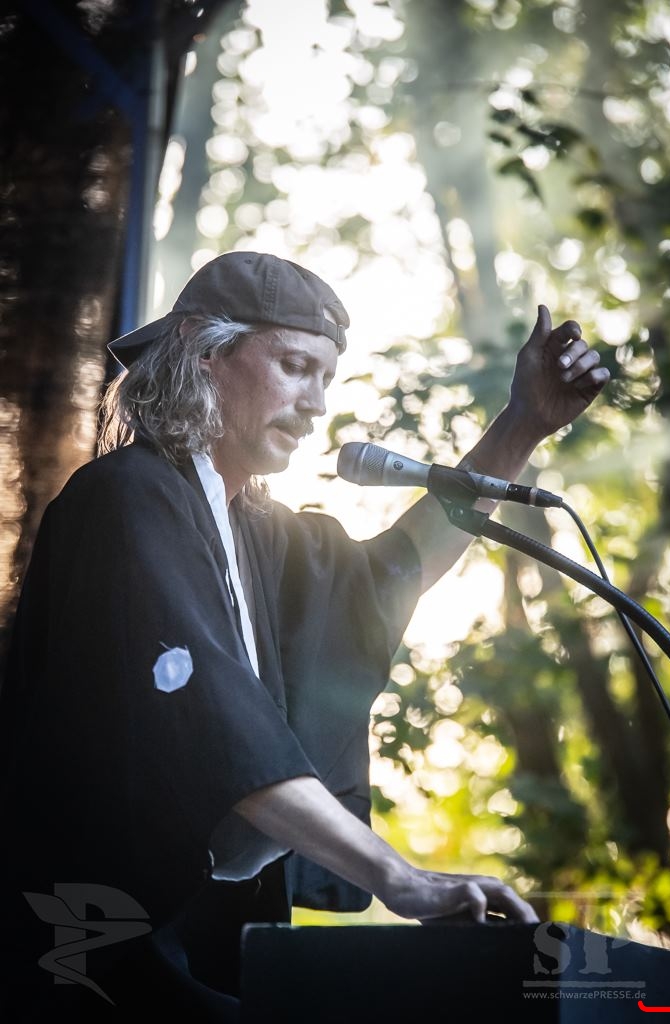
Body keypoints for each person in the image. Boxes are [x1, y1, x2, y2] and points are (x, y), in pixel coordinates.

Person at [0, 251, 610, 1021]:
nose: (316, 404)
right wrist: (401, 878)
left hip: (214, 936)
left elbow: (389, 577)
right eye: (294, 367)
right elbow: (214, 720)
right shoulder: (125, 499)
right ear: (202, 349)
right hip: (92, 947)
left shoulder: (259, 532)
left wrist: (522, 425)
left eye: (326, 378)